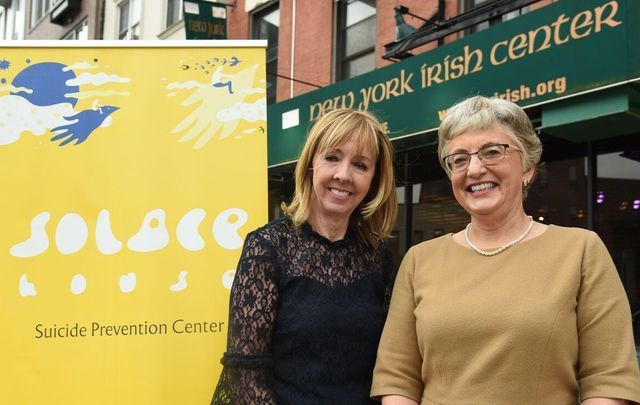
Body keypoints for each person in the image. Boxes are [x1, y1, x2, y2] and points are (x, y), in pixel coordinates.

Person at [371, 96, 640, 404]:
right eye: (459, 159)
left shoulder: (580, 251)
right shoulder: (419, 261)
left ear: (528, 167)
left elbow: (609, 380)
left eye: (492, 152)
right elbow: (398, 377)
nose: (474, 169)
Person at [211, 108, 398, 404]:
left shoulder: (379, 257)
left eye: (360, 165)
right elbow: (247, 375)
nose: (343, 175)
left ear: (374, 180)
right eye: (332, 158)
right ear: (311, 163)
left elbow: (390, 367)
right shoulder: (268, 248)